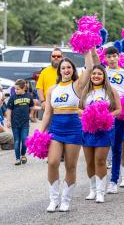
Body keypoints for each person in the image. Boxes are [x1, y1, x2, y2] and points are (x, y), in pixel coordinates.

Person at [39, 56, 88, 212]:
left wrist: (87, 49)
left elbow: (90, 68)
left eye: (69, 67)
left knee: (70, 166)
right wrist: (40, 133)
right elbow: (47, 113)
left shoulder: (77, 85)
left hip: (74, 128)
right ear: (59, 71)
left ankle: (65, 200)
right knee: (52, 162)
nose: (66, 70)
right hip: (56, 128)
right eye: (63, 68)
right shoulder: (52, 90)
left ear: (73, 70)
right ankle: (54, 200)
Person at [80, 49, 121, 204]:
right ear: (90, 76)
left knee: (100, 161)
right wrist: (87, 114)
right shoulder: (84, 91)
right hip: (88, 130)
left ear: (104, 76)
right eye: (94, 74)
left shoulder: (111, 91)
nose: (96, 76)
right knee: (89, 161)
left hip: (104, 130)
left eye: (99, 74)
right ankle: (92, 189)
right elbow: (77, 108)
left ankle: (100, 191)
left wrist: (106, 116)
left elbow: (118, 110)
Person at [104, 46, 124, 194]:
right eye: (109, 56)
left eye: (114, 56)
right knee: (100, 147)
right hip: (101, 113)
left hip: (119, 114)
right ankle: (97, 183)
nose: (111, 59)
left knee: (117, 148)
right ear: (105, 58)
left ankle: (113, 180)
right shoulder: (102, 72)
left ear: (118, 57)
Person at [6, 79, 34, 165]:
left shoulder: (29, 96)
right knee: (17, 141)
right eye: (15, 89)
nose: (15, 90)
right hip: (15, 122)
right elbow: (9, 109)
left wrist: (31, 114)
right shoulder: (13, 97)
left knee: (25, 140)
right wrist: (8, 120)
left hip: (25, 122)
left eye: (17, 89)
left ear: (23, 89)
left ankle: (23, 155)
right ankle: (17, 158)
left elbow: (32, 107)